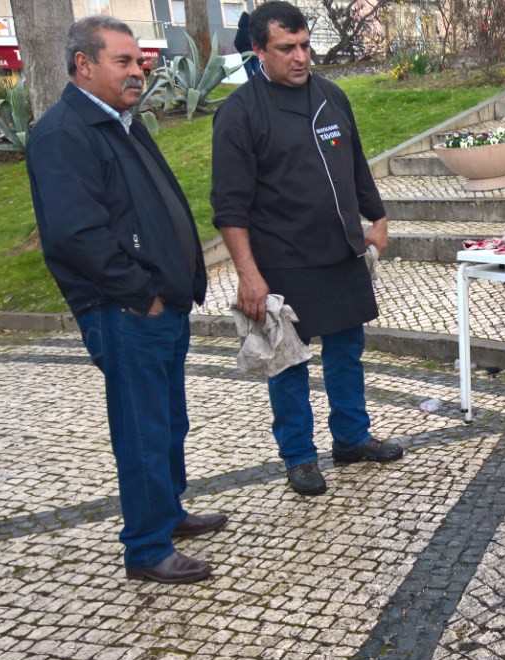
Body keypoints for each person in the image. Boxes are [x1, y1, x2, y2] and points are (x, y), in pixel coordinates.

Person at [26, 16, 224, 584]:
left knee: (168, 422)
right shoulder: (66, 132)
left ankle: (167, 514)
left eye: (139, 61)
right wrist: (141, 295)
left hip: (161, 305)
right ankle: (145, 547)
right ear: (83, 65)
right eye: (123, 61)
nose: (138, 71)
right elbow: (76, 234)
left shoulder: (121, 124)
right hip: (125, 311)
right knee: (141, 431)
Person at [210, 1, 403, 497]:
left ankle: (352, 439)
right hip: (282, 260)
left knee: (346, 352)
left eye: (304, 46)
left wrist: (377, 218)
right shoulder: (239, 114)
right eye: (286, 48)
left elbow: (357, 165)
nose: (300, 57)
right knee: (288, 363)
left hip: (340, 252)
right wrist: (248, 275)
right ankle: (298, 457)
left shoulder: (331, 96)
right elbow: (229, 206)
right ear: (258, 51)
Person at [233, 11, 260, 77]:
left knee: (249, 72)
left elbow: (236, 42)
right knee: (258, 71)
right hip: (254, 53)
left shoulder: (240, 31)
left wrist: (242, 51)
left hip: (245, 54)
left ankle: (252, 85)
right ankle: (260, 84)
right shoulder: (253, 30)